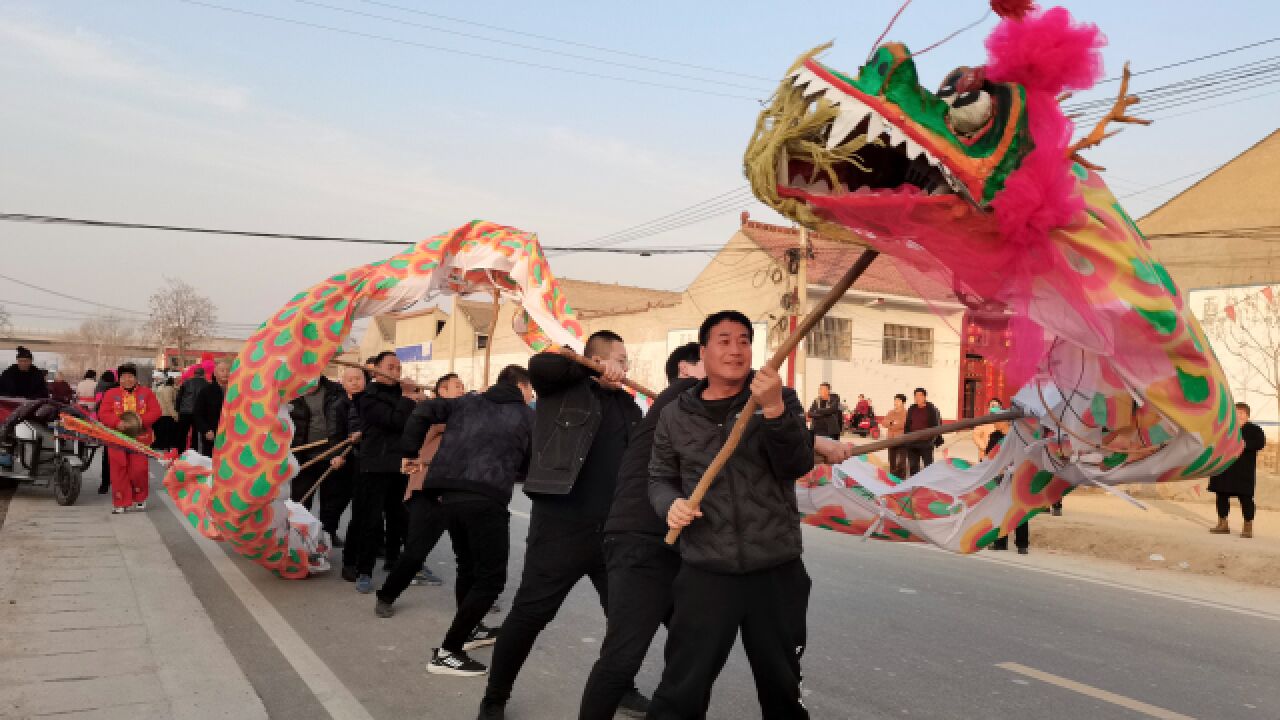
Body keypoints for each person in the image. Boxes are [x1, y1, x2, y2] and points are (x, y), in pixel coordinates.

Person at [647, 310, 814, 719]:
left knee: (781, 689)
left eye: (743, 340)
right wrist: (671, 505)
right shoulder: (676, 414)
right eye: (724, 341)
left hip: (775, 568)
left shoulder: (780, 397)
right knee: (681, 690)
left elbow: (796, 464)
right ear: (703, 352)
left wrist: (773, 408)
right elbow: (658, 477)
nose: (736, 350)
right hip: (706, 570)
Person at [479, 331, 644, 719]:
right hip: (562, 525)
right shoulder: (562, 390)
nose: (626, 367)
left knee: (625, 620)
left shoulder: (629, 407)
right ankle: (495, 697)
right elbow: (543, 363)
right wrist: (587, 370)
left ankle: (622, 688)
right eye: (619, 359)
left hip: (615, 532)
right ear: (598, 359)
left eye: (626, 361)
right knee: (530, 615)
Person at [376, 365, 535, 678]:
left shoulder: (466, 403)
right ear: (521, 386)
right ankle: (449, 651)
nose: (532, 396)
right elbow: (530, 461)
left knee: (469, 567)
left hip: (446, 495)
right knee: (490, 579)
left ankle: (472, 629)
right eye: (531, 390)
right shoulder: (527, 415)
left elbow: (422, 411)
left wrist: (408, 450)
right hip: (485, 499)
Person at [578, 342, 703, 720]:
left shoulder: (692, 410)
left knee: (694, 647)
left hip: (676, 543)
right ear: (685, 370)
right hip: (640, 541)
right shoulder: (681, 396)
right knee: (623, 653)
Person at [348, 351, 420, 593]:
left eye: (399, 368)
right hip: (375, 465)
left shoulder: (403, 394)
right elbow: (394, 421)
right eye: (390, 367)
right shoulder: (367, 397)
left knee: (400, 517)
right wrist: (409, 397)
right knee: (371, 520)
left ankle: (394, 561)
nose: (396, 372)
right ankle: (364, 570)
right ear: (375, 370)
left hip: (400, 464)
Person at [405, 373, 466, 587]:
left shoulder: (460, 414)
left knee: (466, 545)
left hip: (452, 487)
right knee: (418, 540)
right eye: (457, 386)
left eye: (462, 387)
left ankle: (476, 593)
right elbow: (439, 427)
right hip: (425, 484)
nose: (462, 390)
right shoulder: (432, 413)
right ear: (442, 391)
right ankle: (395, 586)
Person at [97, 364, 161, 514]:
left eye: (130, 376)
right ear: (119, 379)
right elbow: (103, 413)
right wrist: (116, 422)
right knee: (118, 470)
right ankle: (121, 502)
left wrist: (139, 422)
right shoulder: (111, 393)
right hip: (117, 438)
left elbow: (156, 411)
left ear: (135, 378)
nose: (127, 380)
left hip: (140, 438)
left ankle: (140, 497)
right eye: (123, 377)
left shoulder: (146, 393)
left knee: (138, 470)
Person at [1209, 402, 1266, 539]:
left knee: (1246, 498)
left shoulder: (1254, 429)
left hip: (1243, 470)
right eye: (1236, 412)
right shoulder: (1224, 427)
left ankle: (1248, 526)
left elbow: (1260, 443)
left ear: (1247, 415)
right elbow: (1212, 441)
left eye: (1241, 413)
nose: (1238, 415)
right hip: (1224, 468)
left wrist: (1244, 444)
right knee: (1221, 495)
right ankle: (1223, 524)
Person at [288, 375, 343, 508]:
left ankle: (327, 529)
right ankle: (300, 529)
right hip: (304, 457)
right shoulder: (290, 395)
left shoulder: (336, 391)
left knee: (331, 506)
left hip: (333, 457)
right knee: (300, 504)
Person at [985, 419, 1029, 554]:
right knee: (1003, 509)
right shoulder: (996, 437)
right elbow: (989, 455)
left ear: (1006, 422)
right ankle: (1002, 542)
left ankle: (1021, 544)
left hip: (1016, 477)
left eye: (998, 420)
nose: (995, 423)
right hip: (1003, 477)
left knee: (1018, 509)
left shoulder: (1017, 438)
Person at [903, 387, 942, 477]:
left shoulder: (931, 409)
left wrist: (930, 441)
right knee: (913, 467)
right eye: (916, 396)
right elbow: (907, 425)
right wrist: (907, 439)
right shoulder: (912, 408)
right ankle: (914, 487)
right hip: (912, 443)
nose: (917, 398)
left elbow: (936, 426)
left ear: (925, 397)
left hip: (926, 443)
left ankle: (928, 486)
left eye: (920, 396)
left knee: (928, 467)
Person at [193, 361, 229, 456]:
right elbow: (198, 413)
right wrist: (206, 430)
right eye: (222, 370)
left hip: (230, 436)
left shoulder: (235, 391)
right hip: (212, 434)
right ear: (215, 374)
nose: (225, 373)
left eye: (228, 370)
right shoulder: (206, 391)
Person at [94, 370, 118, 494]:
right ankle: (116, 481)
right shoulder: (115, 389)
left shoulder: (99, 388)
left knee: (107, 455)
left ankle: (104, 484)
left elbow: (98, 406)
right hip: (117, 425)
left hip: (105, 425)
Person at [176, 367, 209, 452]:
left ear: (194, 374)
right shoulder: (207, 384)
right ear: (203, 374)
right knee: (196, 435)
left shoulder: (186, 382)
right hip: (199, 413)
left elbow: (179, 397)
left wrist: (177, 409)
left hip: (185, 411)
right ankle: (194, 452)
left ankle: (180, 452)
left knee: (182, 433)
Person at [884, 393, 908, 478]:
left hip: (901, 440)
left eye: (898, 400)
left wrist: (892, 424)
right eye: (895, 400)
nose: (896, 402)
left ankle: (901, 479)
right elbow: (884, 423)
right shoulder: (891, 412)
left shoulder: (906, 413)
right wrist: (892, 422)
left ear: (903, 402)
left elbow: (903, 424)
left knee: (901, 461)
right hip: (891, 440)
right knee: (892, 460)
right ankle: (892, 478)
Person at [153, 377, 179, 450]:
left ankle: (162, 445)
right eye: (177, 379)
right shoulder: (169, 389)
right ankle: (166, 446)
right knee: (167, 432)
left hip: (161, 413)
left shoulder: (160, 388)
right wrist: (174, 415)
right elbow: (169, 403)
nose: (178, 380)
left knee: (162, 431)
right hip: (167, 413)